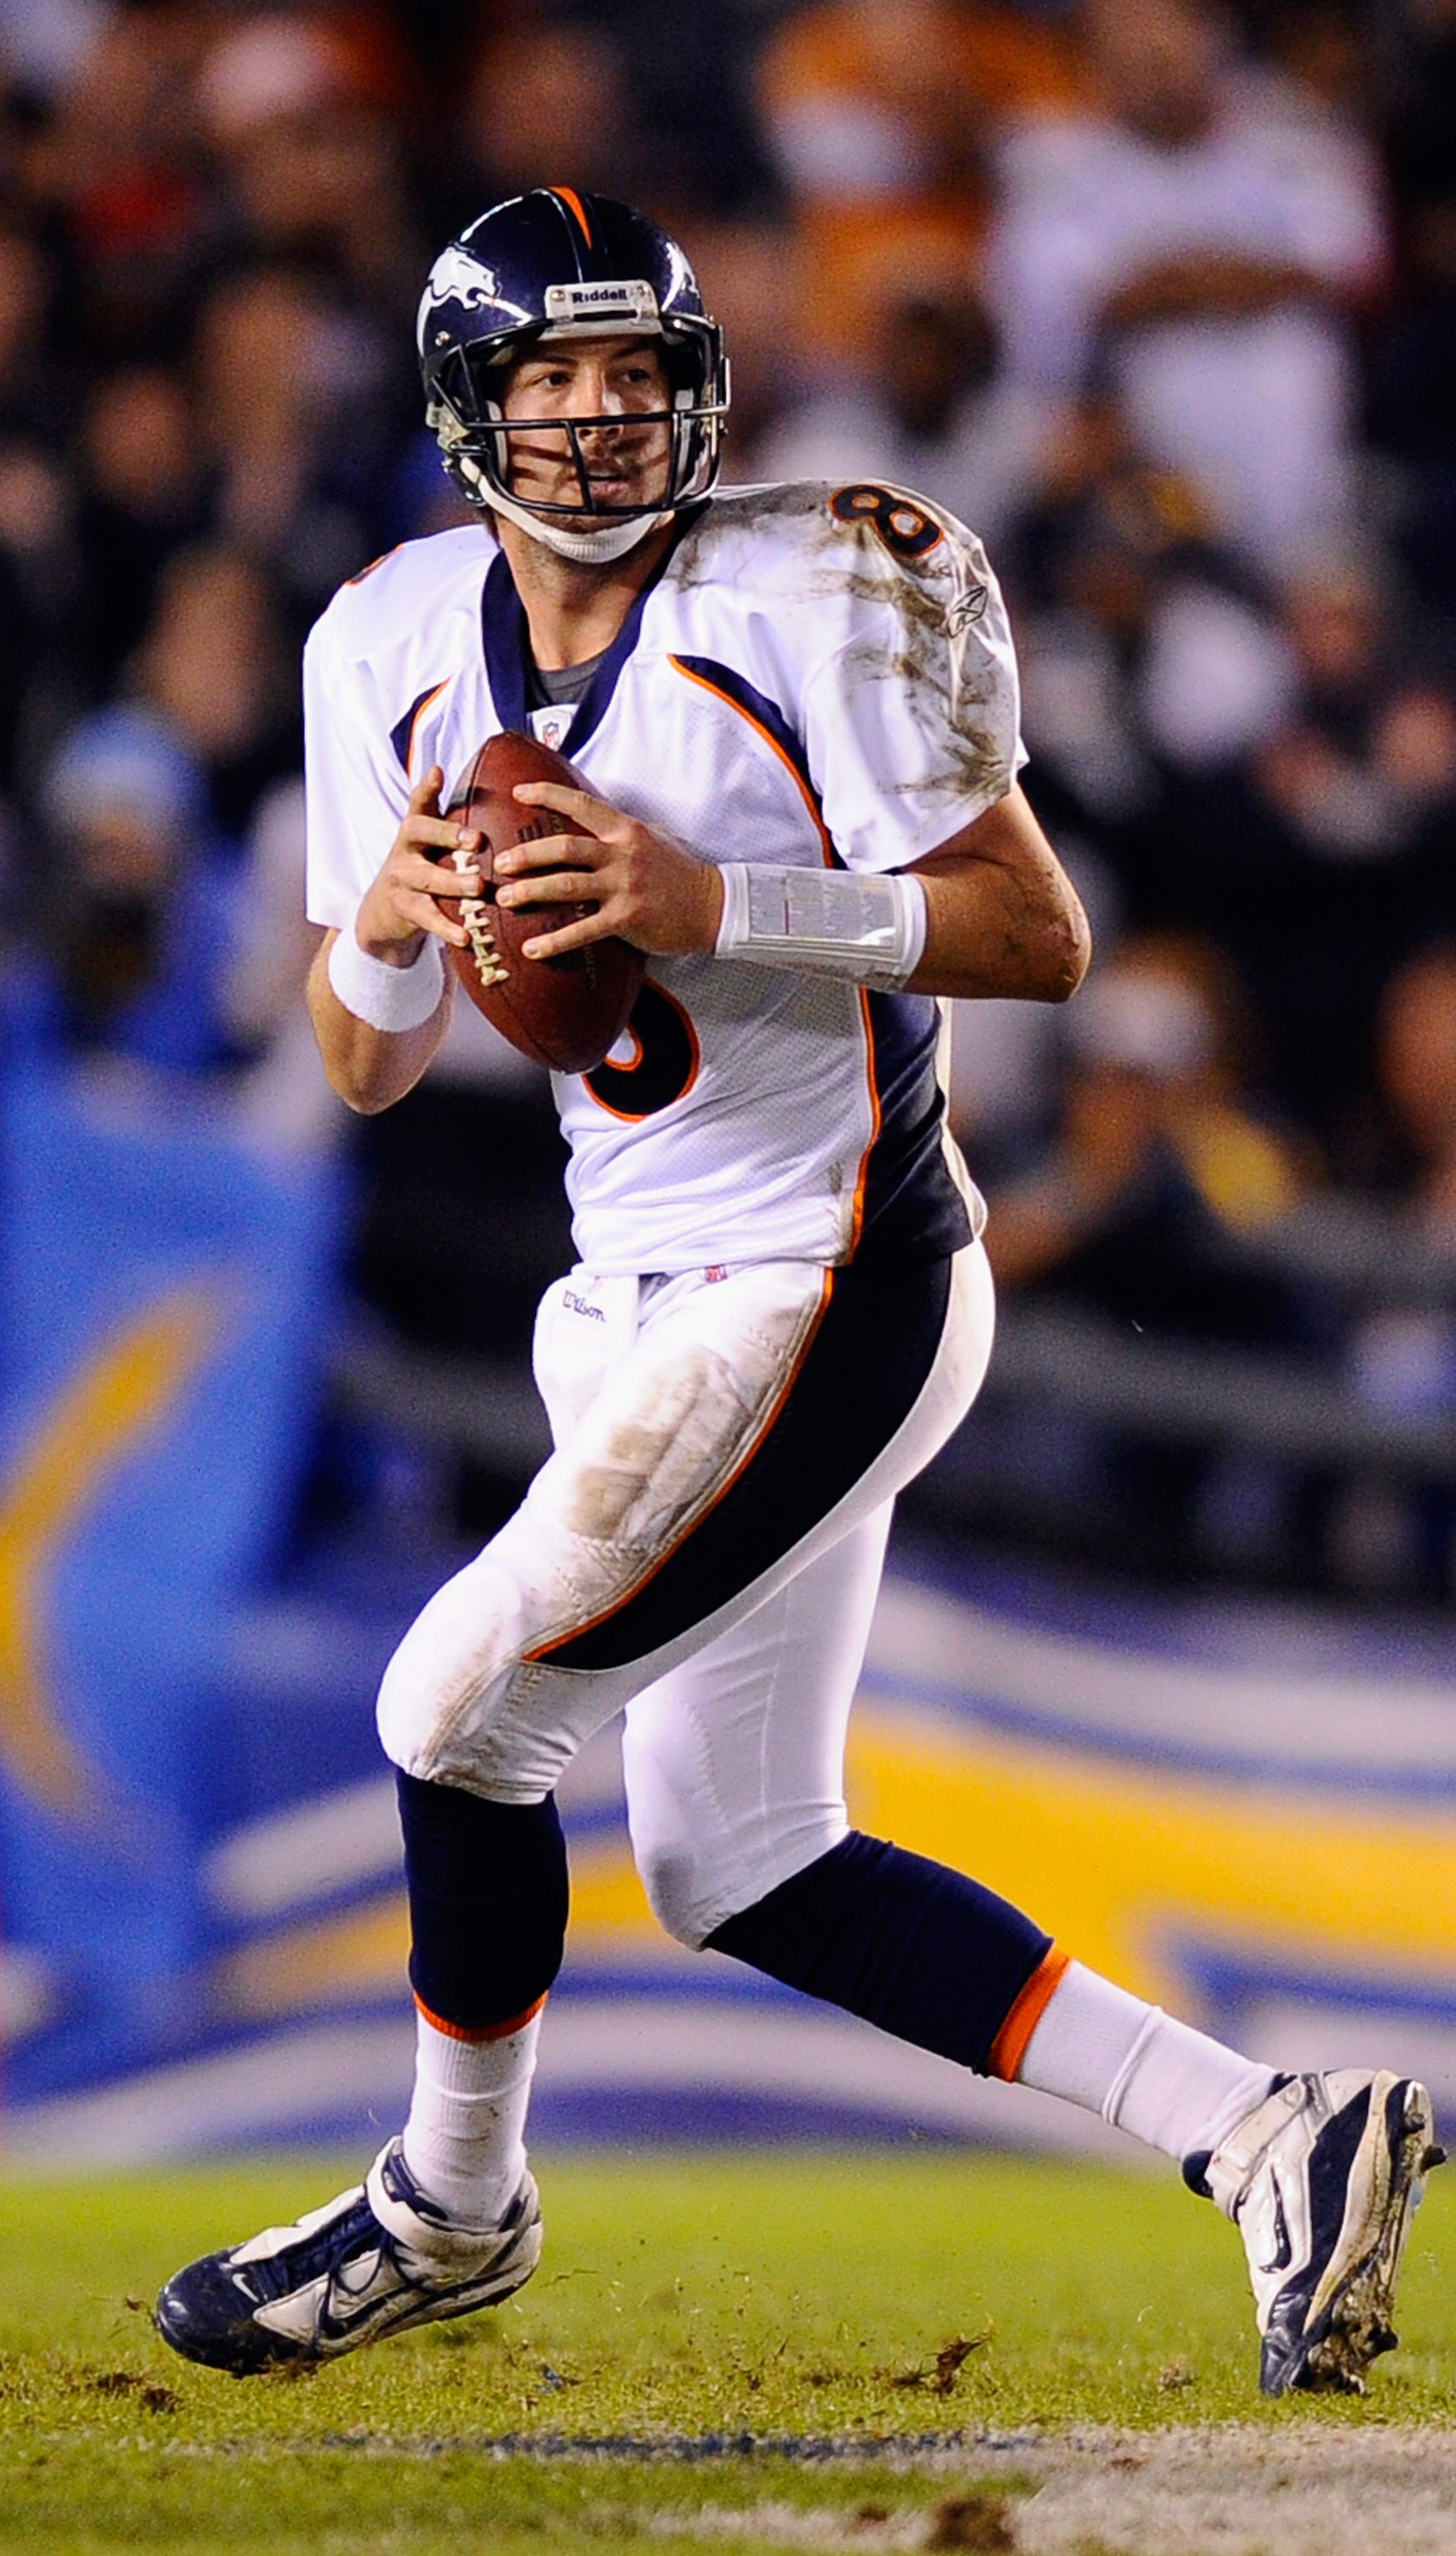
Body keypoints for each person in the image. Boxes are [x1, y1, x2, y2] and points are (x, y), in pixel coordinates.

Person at [154, 187, 1439, 2401]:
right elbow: (364, 1062)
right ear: (467, 409)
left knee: (452, 1708)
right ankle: (1265, 2128)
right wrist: (385, 912)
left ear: (699, 387)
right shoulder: (382, 637)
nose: (596, 416)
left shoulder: (823, 579)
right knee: (741, 1856)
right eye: (550, 376)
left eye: (633, 370)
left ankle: (448, 2202)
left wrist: (715, 899)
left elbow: (1036, 934)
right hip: (635, 1285)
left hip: (830, 1266)